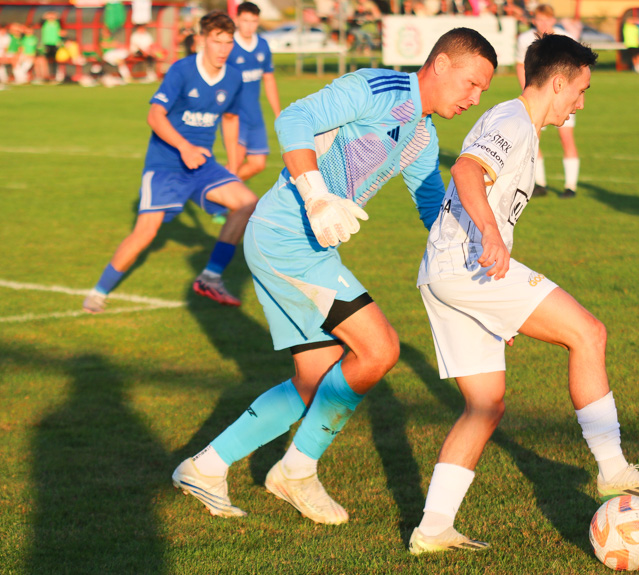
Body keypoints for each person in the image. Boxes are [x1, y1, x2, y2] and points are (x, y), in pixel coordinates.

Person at [171, 27, 497, 525]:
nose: (474, 98)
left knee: (316, 376)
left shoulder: (423, 137)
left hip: (305, 247)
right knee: (380, 349)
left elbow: (432, 207)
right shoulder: (379, 89)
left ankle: (205, 466)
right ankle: (297, 471)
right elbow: (294, 116)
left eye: (483, 92)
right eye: (471, 83)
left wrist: (481, 260)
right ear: (442, 64)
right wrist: (316, 194)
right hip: (287, 237)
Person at [408, 33, 639, 555]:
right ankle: (612, 468)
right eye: (579, 91)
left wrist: (496, 304)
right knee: (588, 333)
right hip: (467, 267)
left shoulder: (523, 128)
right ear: (558, 82)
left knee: (484, 406)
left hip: (448, 275)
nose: (580, 103)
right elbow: (466, 170)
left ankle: (433, 528)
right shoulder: (511, 120)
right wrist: (488, 234)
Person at [83, 11, 258, 313]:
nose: (223, 49)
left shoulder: (233, 77)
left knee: (246, 202)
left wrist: (233, 163)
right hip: (166, 165)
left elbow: (230, 117)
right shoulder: (182, 71)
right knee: (146, 233)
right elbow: (154, 115)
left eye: (228, 43)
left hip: (202, 165)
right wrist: (184, 147)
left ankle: (211, 277)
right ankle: (99, 292)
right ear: (201, 40)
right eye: (217, 42)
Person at [516, 4, 579, 199]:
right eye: (539, 19)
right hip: (538, 97)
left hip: (562, 96)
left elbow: (577, 68)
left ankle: (570, 186)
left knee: (566, 137)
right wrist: (528, 89)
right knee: (534, 138)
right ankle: (539, 183)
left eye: (547, 19)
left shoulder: (565, 39)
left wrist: (576, 94)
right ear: (534, 20)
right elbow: (520, 65)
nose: (543, 23)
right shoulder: (525, 39)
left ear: (553, 20)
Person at [227, 2, 281, 183]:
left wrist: (277, 113)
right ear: (237, 20)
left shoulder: (263, 45)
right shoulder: (228, 45)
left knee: (258, 164)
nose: (249, 26)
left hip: (255, 114)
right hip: (234, 114)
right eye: (245, 21)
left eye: (253, 21)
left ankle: (217, 191)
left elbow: (269, 79)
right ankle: (220, 205)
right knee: (235, 162)